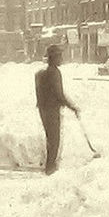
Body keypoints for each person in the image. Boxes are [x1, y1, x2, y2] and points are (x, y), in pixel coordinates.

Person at [34, 44, 78, 175]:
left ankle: (49, 167)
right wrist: (72, 107)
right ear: (54, 58)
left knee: (50, 139)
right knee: (54, 140)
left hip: (43, 110)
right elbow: (59, 94)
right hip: (52, 111)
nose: (61, 58)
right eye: (59, 56)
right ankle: (51, 169)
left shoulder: (40, 74)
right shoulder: (55, 73)